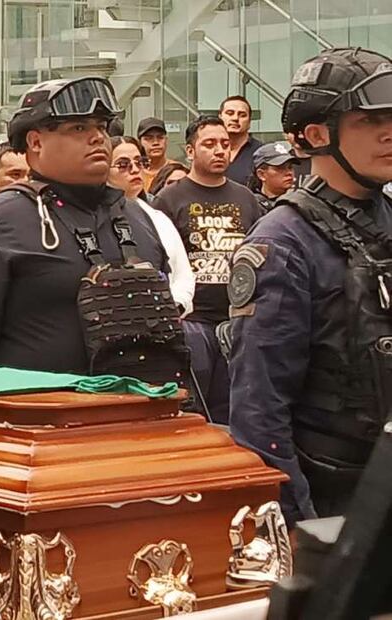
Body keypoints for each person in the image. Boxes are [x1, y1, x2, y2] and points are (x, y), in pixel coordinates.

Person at [228, 48, 392, 525]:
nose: (389, 132)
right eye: (369, 120)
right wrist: (298, 524)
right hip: (336, 499)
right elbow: (259, 409)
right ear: (318, 134)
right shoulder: (283, 242)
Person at [0, 77, 185, 385]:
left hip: (146, 420)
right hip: (37, 424)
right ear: (36, 142)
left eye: (102, 127)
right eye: (79, 129)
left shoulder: (140, 217)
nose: (97, 138)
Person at [152, 115, 263, 423]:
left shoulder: (246, 198)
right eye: (209, 144)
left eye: (225, 145)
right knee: (194, 409)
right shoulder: (169, 199)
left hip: (238, 320)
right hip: (193, 320)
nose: (219, 151)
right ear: (190, 151)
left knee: (235, 409)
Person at [109, 136, 195, 317]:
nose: (134, 170)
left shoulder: (158, 218)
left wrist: (175, 305)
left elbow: (183, 274)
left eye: (139, 162)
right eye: (123, 164)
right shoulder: (95, 218)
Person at [220, 95, 264, 184]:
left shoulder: (261, 153)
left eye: (242, 115)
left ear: (249, 122)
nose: (235, 118)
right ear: (220, 117)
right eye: (230, 113)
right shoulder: (210, 149)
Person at [248, 141, 300, 211]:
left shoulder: (301, 203)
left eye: (290, 167)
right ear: (261, 174)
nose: (289, 173)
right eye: (280, 168)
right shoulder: (250, 205)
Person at [137, 117, 179, 191]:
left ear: (166, 140)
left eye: (160, 137)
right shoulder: (134, 172)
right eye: (149, 138)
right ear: (140, 142)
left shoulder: (177, 171)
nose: (155, 143)